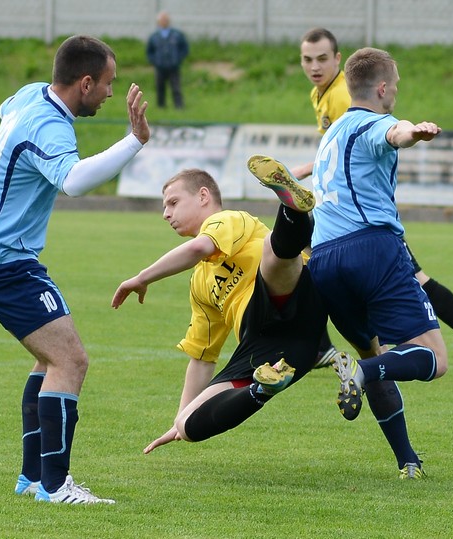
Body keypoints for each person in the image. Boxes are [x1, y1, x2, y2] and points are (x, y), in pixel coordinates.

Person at [0, 35, 150, 505]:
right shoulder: (49, 125)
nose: (109, 92)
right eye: (107, 84)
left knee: (49, 360)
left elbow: (5, 111)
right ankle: (56, 487)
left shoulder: (29, 96)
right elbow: (74, 182)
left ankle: (33, 478)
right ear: (85, 83)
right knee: (70, 360)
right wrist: (136, 140)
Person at [295, 27, 453, 385]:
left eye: (322, 59)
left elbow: (383, 133)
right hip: (362, 229)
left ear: (338, 61)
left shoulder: (343, 98)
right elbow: (364, 141)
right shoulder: (326, 96)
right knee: (415, 289)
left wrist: (410, 133)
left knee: (410, 287)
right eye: (307, 59)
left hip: (353, 229)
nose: (314, 66)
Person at [112, 158, 326, 455]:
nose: (166, 214)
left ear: (203, 196)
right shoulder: (199, 283)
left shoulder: (227, 220)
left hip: (296, 295)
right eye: (165, 207)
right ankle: (262, 387)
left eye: (173, 203)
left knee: (273, 252)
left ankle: (292, 208)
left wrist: (141, 278)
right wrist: (181, 417)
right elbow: (202, 358)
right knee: (186, 424)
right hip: (278, 348)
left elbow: (200, 246)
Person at [309, 46, 449, 479]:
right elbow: (394, 133)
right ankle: (363, 372)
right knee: (434, 358)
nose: (397, 93)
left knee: (374, 351)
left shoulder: (330, 134)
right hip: (371, 249)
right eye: (396, 86)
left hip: (323, 260)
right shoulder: (376, 122)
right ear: (382, 88)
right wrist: (414, 132)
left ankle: (409, 462)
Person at [145, 11, 189, 110]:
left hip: (173, 66)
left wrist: (178, 59)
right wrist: (155, 61)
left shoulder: (177, 35)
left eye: (165, 20)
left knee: (176, 87)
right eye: (162, 20)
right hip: (160, 66)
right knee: (160, 87)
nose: (164, 22)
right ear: (158, 22)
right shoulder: (154, 36)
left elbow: (184, 48)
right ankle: (161, 106)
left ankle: (179, 106)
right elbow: (150, 51)